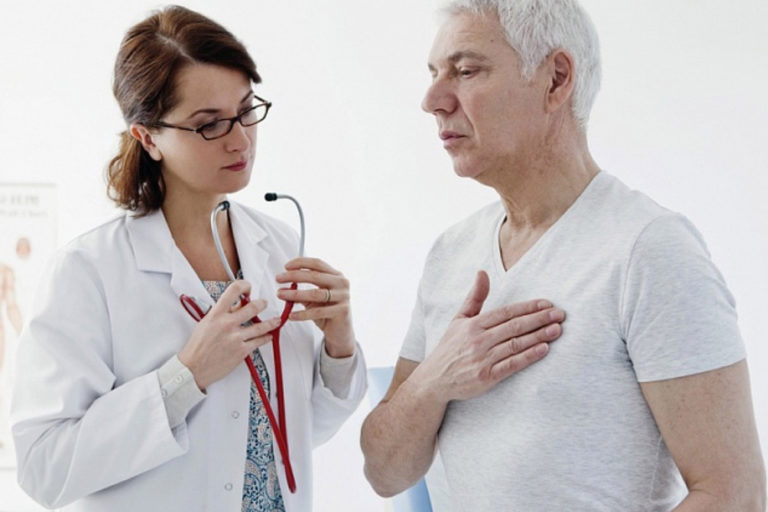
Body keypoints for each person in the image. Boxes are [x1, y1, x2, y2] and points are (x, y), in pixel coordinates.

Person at [361, 0, 765, 510]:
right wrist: (435, 381)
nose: (432, 101)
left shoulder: (648, 250)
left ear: (555, 79)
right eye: (434, 74)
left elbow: (734, 495)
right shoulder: (450, 252)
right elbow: (385, 472)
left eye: (466, 71)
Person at [11, 6, 366, 511]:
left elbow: (294, 436)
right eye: (209, 124)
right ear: (148, 137)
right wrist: (187, 375)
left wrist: (339, 346)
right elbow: (43, 467)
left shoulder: (279, 245)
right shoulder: (89, 271)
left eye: (246, 110)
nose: (240, 139)